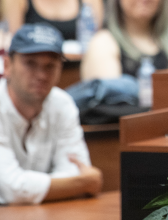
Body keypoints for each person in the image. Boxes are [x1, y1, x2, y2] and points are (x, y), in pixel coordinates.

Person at [0, 23, 102, 204]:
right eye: (30, 63)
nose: (41, 75)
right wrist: (85, 182)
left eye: (50, 66)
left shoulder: (63, 104)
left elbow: (75, 170)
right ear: (7, 65)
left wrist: (74, 182)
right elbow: (11, 188)